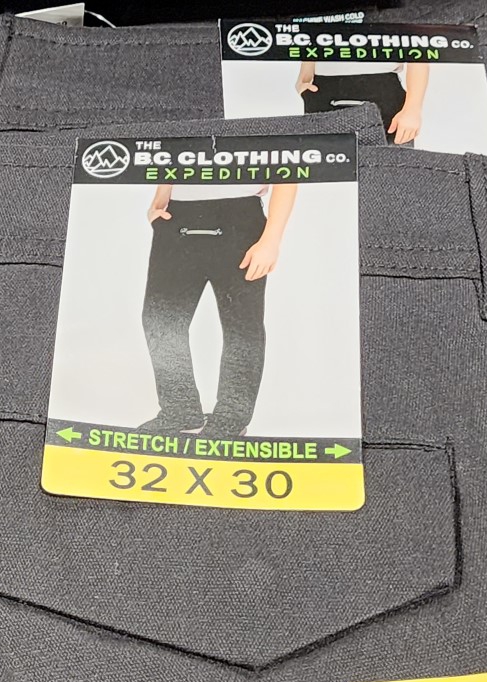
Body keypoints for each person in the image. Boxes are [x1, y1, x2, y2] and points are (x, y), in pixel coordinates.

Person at [137, 181, 296, 435]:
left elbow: (288, 170)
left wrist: (271, 240)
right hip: (178, 216)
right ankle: (180, 410)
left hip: (240, 218)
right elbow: (172, 158)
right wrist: (159, 201)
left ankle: (231, 418)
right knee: (159, 319)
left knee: (241, 327)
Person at [296, 60, 429, 145]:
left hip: (384, 92)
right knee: (326, 174)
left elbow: (418, 51)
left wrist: (413, 109)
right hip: (325, 91)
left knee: (390, 175)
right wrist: (304, 78)